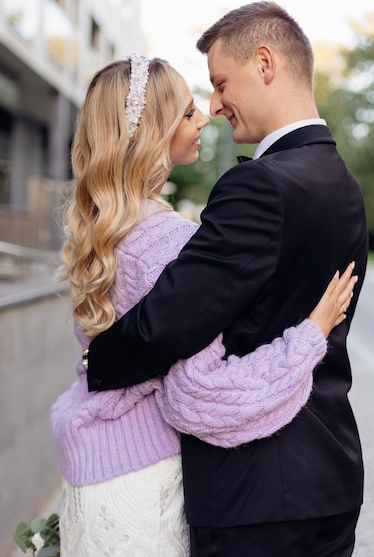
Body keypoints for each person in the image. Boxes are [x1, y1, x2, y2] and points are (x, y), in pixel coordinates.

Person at [51, 54, 357, 557]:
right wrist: (311, 335)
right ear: (153, 130)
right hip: (141, 477)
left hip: (93, 473)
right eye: (189, 111)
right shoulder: (163, 240)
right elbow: (199, 396)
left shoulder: (99, 228)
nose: (205, 118)